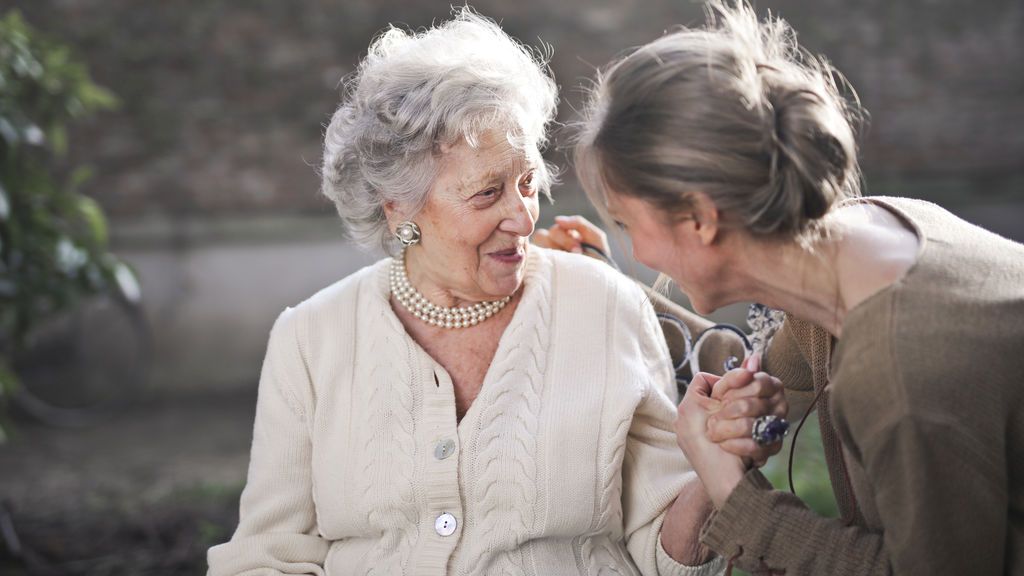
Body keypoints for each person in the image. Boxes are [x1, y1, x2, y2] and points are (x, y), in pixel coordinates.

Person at [206, 9, 787, 576]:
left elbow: (661, 552)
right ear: (399, 210)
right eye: (487, 194)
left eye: (528, 182)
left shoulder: (605, 307)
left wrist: (716, 467)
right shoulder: (311, 338)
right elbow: (269, 554)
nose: (522, 217)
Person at [568, 1, 1024, 574]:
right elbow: (766, 376)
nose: (639, 254)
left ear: (701, 219)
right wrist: (732, 414)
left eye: (630, 225)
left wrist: (738, 500)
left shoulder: (902, 374)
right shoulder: (868, 236)